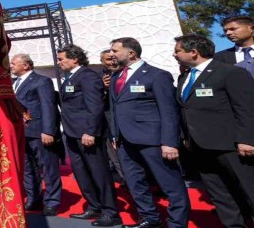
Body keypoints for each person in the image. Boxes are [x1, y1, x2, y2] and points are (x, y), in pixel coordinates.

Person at [174, 34, 254, 227]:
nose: (174, 54)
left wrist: (247, 139)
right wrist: (186, 137)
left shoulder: (229, 72)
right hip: (200, 147)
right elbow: (186, 109)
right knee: (220, 194)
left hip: (231, 146)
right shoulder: (184, 76)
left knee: (248, 191)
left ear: (193, 52)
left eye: (177, 51)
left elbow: (246, 109)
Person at [109, 38, 189, 228]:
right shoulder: (116, 77)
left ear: (131, 53)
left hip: (153, 140)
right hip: (124, 141)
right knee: (135, 183)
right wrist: (115, 134)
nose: (111, 54)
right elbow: (114, 108)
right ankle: (150, 218)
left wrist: (169, 142)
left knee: (170, 184)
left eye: (115, 50)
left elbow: (168, 111)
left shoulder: (157, 75)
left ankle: (177, 222)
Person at [57, 44, 121, 227]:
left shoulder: (88, 76)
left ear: (74, 58)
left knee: (99, 172)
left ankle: (110, 211)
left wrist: (90, 131)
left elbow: (95, 106)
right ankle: (94, 206)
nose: (59, 62)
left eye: (62, 59)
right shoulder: (70, 77)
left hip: (87, 134)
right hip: (71, 133)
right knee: (81, 172)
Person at [10, 53, 62, 217]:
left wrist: (48, 130)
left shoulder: (41, 81)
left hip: (39, 130)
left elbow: (48, 106)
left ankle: (52, 201)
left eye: (13, 63)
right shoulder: (12, 83)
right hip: (19, 132)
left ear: (25, 65)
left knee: (47, 167)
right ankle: (33, 198)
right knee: (27, 168)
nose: (10, 66)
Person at [100, 49, 125, 185]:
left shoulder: (128, 74)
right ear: (102, 62)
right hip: (110, 123)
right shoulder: (100, 78)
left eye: (113, 58)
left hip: (132, 123)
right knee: (116, 157)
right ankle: (126, 182)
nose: (112, 61)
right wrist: (103, 88)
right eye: (108, 59)